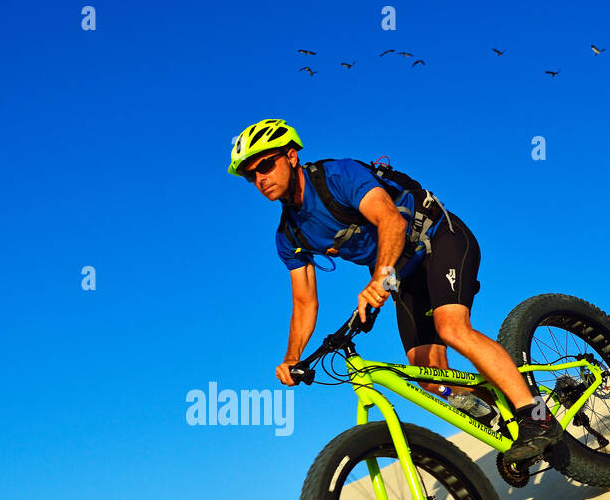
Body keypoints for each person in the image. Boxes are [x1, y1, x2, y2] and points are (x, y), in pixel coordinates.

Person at [229, 118, 561, 463]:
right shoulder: (289, 235)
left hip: (437, 238)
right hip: (402, 274)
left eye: (265, 165)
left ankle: (536, 417)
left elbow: (392, 221)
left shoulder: (337, 176)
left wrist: (380, 280)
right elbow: (303, 300)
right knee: (430, 378)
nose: (260, 178)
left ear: (291, 156)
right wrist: (292, 356)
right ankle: (499, 414)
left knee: (451, 327)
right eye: (251, 175)